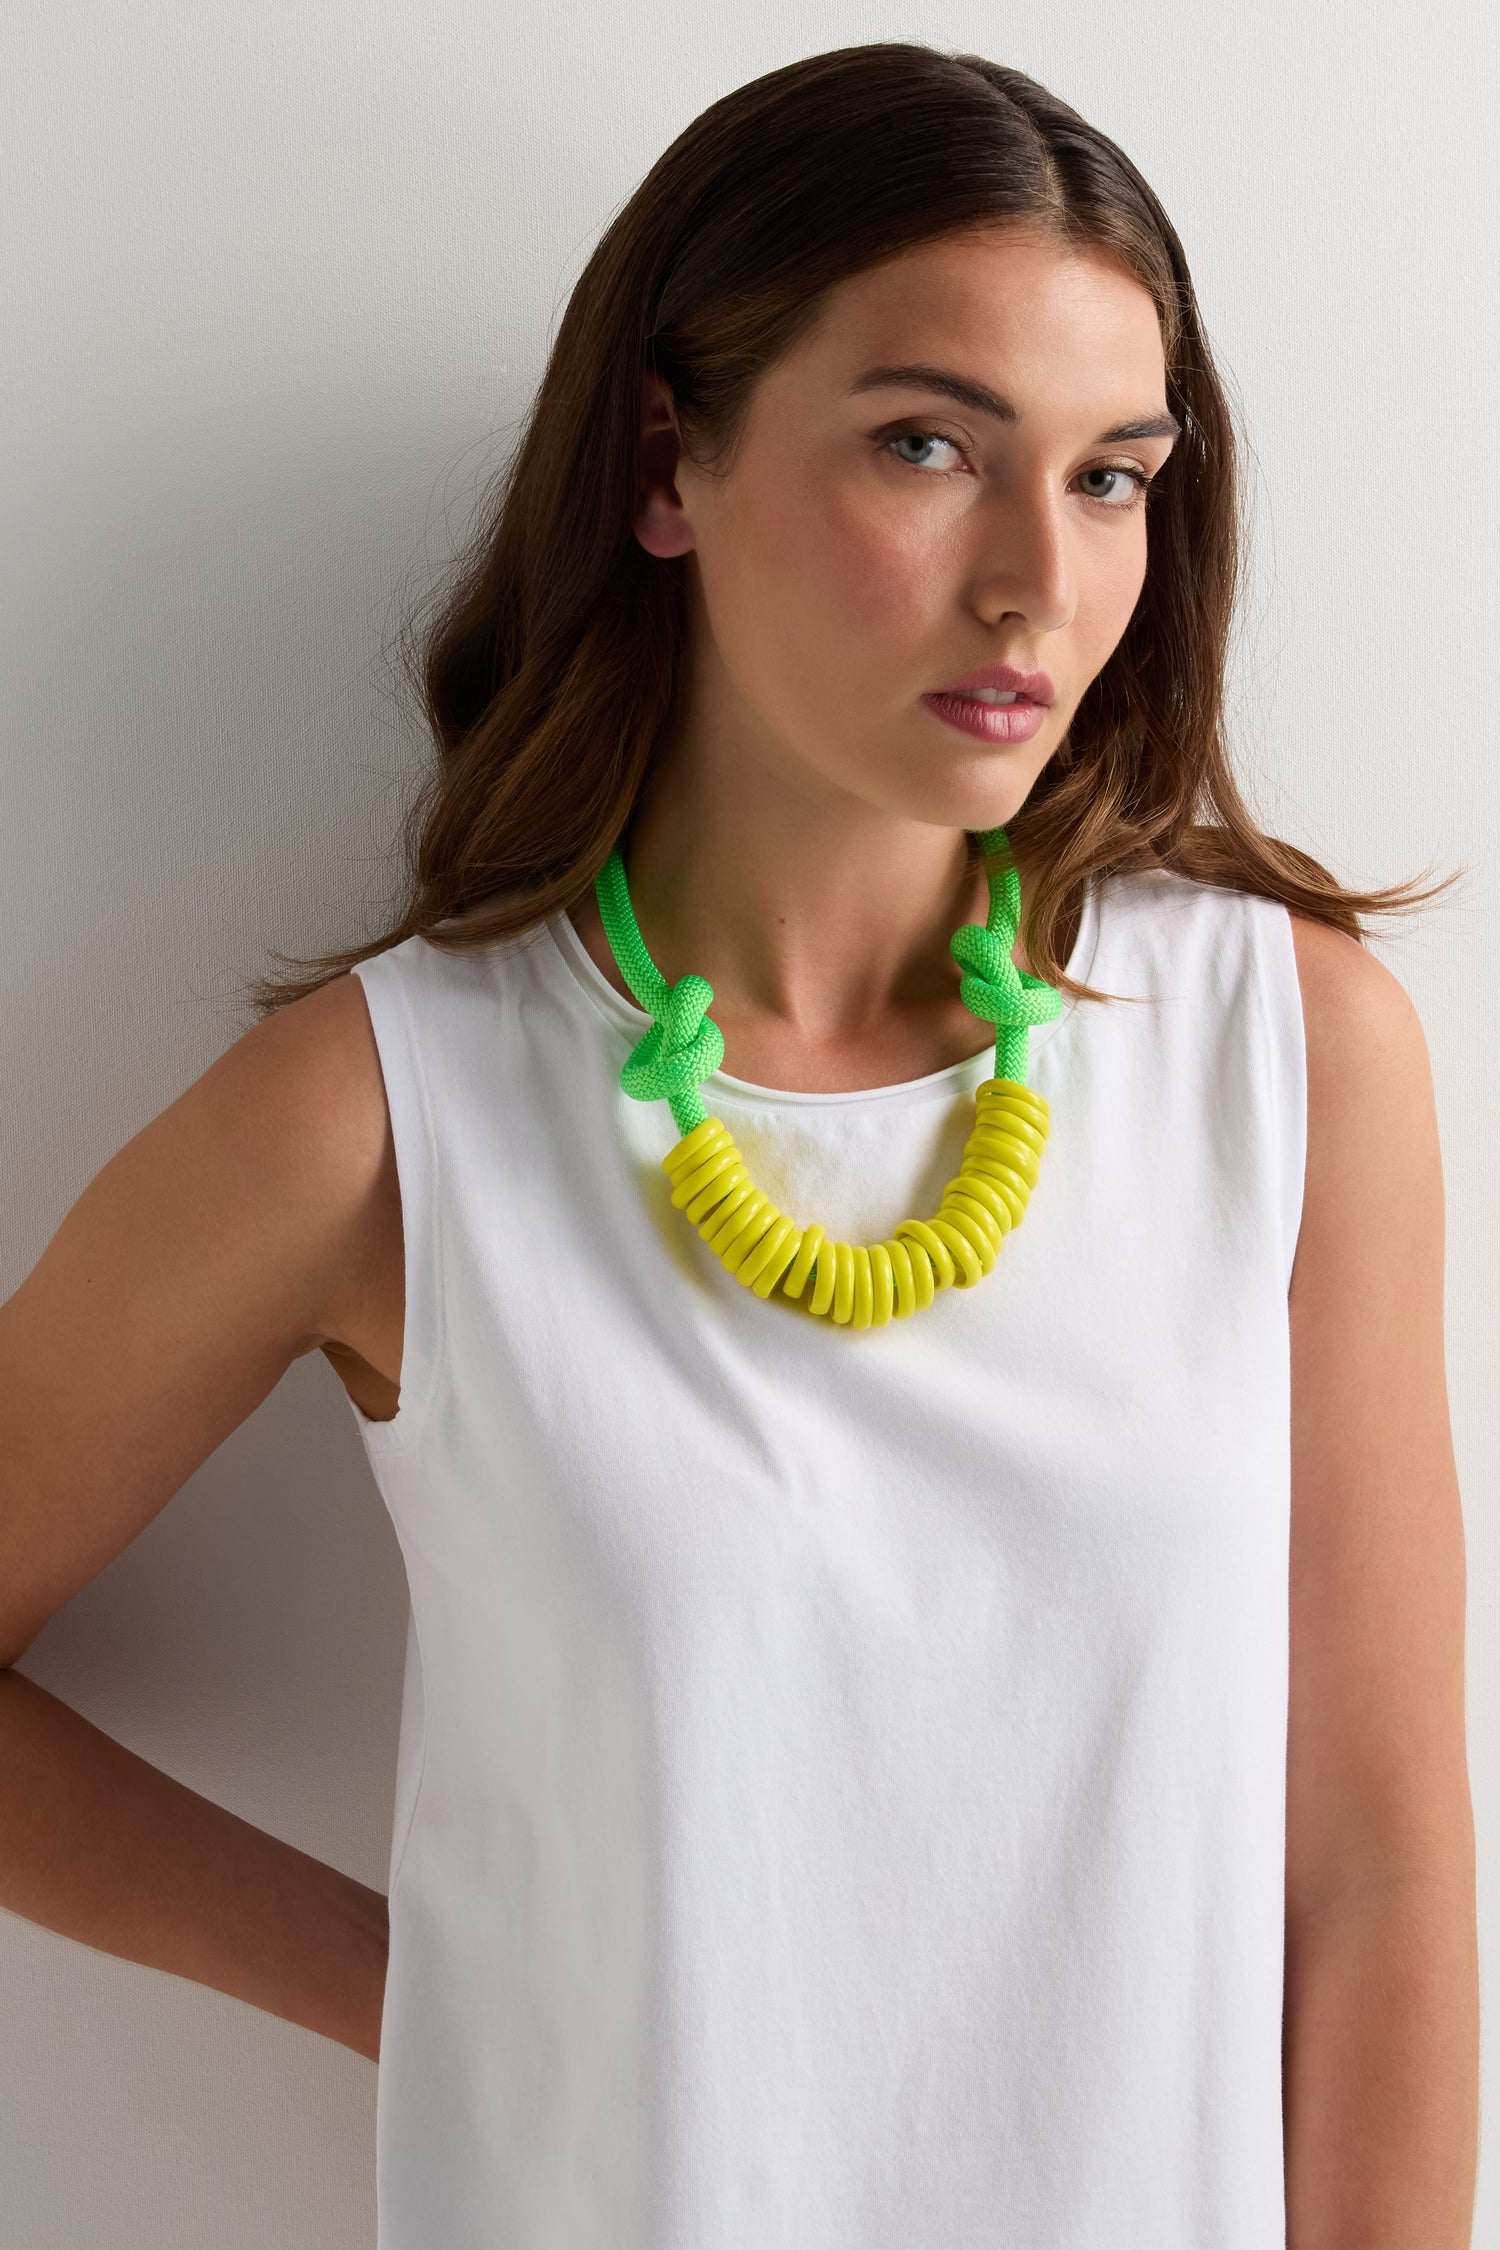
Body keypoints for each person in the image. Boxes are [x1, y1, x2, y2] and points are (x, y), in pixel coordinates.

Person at [0, 40, 1479, 2250]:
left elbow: (1378, 1873)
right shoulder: (388, 1116)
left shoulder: (1279, 1052)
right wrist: (440, 1998)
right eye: (926, 446)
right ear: (665, 463)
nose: (1036, 587)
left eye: (1108, 477)